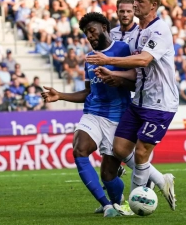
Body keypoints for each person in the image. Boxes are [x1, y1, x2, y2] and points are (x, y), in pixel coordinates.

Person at [87, 0, 178, 211]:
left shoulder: (160, 30)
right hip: (139, 101)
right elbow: (136, 71)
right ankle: (160, 180)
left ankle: (134, 203)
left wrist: (108, 61)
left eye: (140, 1)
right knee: (119, 149)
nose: (135, 4)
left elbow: (143, 60)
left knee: (140, 153)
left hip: (160, 104)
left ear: (154, 5)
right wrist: (112, 73)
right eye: (135, 0)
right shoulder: (138, 33)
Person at [42, 12, 142, 217]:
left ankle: (118, 201)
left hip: (118, 118)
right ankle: (106, 205)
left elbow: (136, 82)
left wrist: (119, 80)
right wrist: (60, 95)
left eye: (92, 31)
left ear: (104, 27)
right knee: (79, 150)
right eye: (86, 33)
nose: (89, 36)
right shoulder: (89, 59)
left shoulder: (123, 50)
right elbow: (88, 92)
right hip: (93, 114)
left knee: (108, 175)